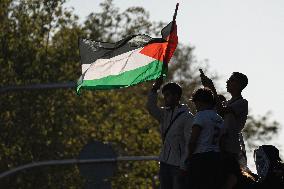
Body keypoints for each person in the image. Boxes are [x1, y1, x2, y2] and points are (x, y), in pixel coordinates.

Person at [146, 77, 194, 189]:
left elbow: (189, 143)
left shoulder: (187, 117)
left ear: (176, 96)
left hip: (178, 165)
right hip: (164, 162)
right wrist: (155, 88)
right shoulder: (164, 114)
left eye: (167, 95)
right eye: (164, 95)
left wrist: (183, 166)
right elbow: (150, 107)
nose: (165, 98)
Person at [199, 70, 249, 169]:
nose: (227, 82)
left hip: (230, 148)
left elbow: (221, 111)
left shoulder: (242, 103)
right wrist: (207, 88)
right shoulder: (226, 103)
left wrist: (212, 88)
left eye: (231, 80)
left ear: (238, 85)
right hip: (218, 147)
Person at [187, 87, 224, 189]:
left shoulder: (201, 116)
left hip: (201, 158)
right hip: (216, 157)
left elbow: (193, 139)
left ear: (199, 102)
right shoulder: (219, 118)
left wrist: (188, 157)